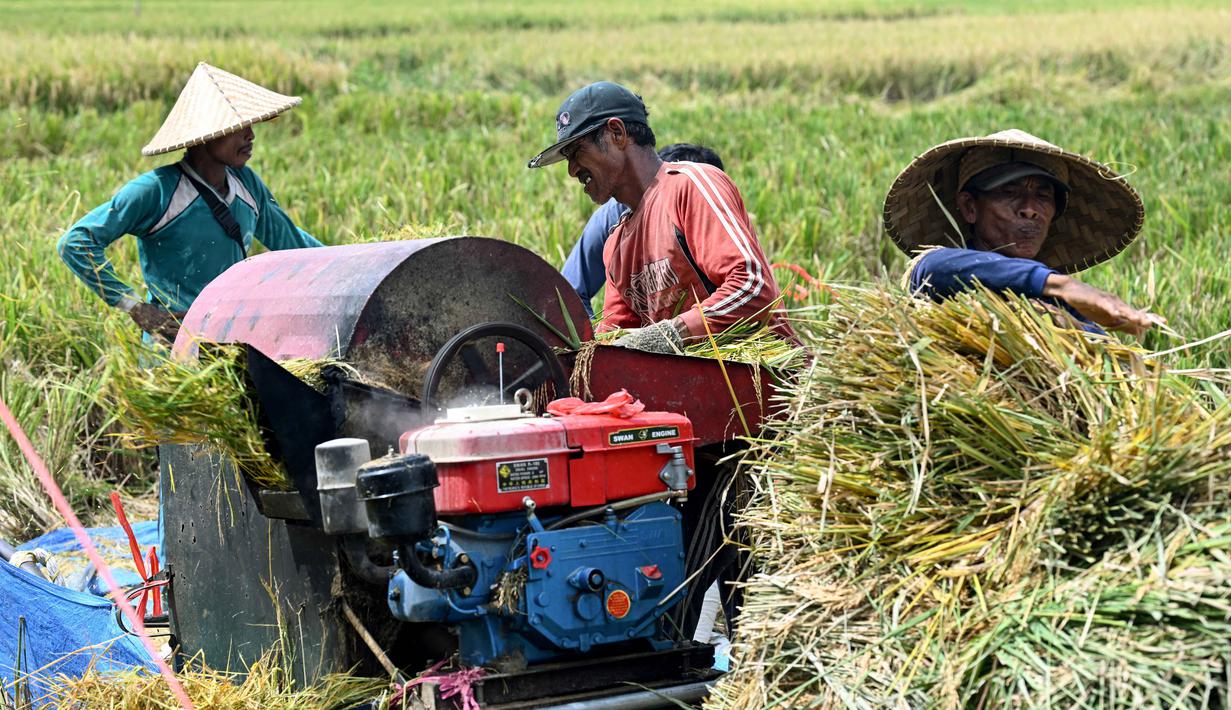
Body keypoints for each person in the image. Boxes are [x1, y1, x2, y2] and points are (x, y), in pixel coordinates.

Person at [58, 62, 323, 344]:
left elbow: (293, 244)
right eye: (238, 126)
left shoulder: (247, 184)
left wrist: (355, 265)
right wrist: (134, 306)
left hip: (229, 342)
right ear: (206, 134)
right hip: (173, 350)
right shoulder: (156, 191)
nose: (250, 135)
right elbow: (75, 242)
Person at [528, 81, 795, 352]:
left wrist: (672, 334)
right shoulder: (616, 246)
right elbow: (615, 338)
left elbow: (753, 287)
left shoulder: (690, 186)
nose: (572, 170)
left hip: (761, 379)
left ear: (617, 134)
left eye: (577, 152)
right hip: (692, 388)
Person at [884, 129, 1159, 335]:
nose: (1030, 209)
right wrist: (1065, 285)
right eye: (1010, 192)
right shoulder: (940, 275)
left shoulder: (1062, 310)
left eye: (1042, 196)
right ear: (969, 207)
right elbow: (934, 266)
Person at [561, 143, 725, 319]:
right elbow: (569, 293)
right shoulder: (613, 217)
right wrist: (594, 345)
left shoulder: (709, 205)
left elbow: (742, 282)